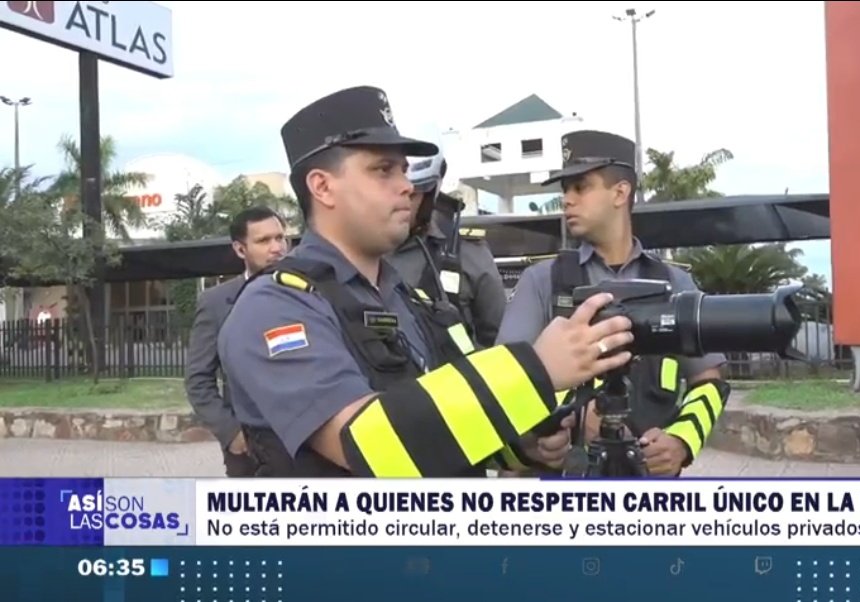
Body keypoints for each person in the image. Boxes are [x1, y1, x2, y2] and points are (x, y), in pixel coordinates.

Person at [216, 86, 635, 478]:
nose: (406, 186)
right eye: (383, 170)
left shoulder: (415, 300)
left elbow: (451, 420)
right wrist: (536, 369)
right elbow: (366, 444)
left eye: (403, 170)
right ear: (323, 187)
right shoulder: (275, 307)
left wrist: (521, 445)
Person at [496, 130, 729, 477]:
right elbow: (504, 379)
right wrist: (552, 430)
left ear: (621, 192)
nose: (567, 200)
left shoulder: (675, 284)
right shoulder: (543, 281)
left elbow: (710, 381)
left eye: (581, 187)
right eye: (565, 190)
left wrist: (680, 442)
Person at [184, 206, 288, 477]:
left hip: (309, 442)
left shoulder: (309, 293)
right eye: (264, 241)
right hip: (252, 450)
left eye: (280, 238)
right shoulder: (217, 302)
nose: (277, 247)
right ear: (240, 250)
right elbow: (198, 379)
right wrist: (232, 435)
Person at [387, 151, 506, 348]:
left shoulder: (465, 253)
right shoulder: (348, 251)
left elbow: (500, 342)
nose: (398, 202)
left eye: (411, 194)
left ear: (428, 195)